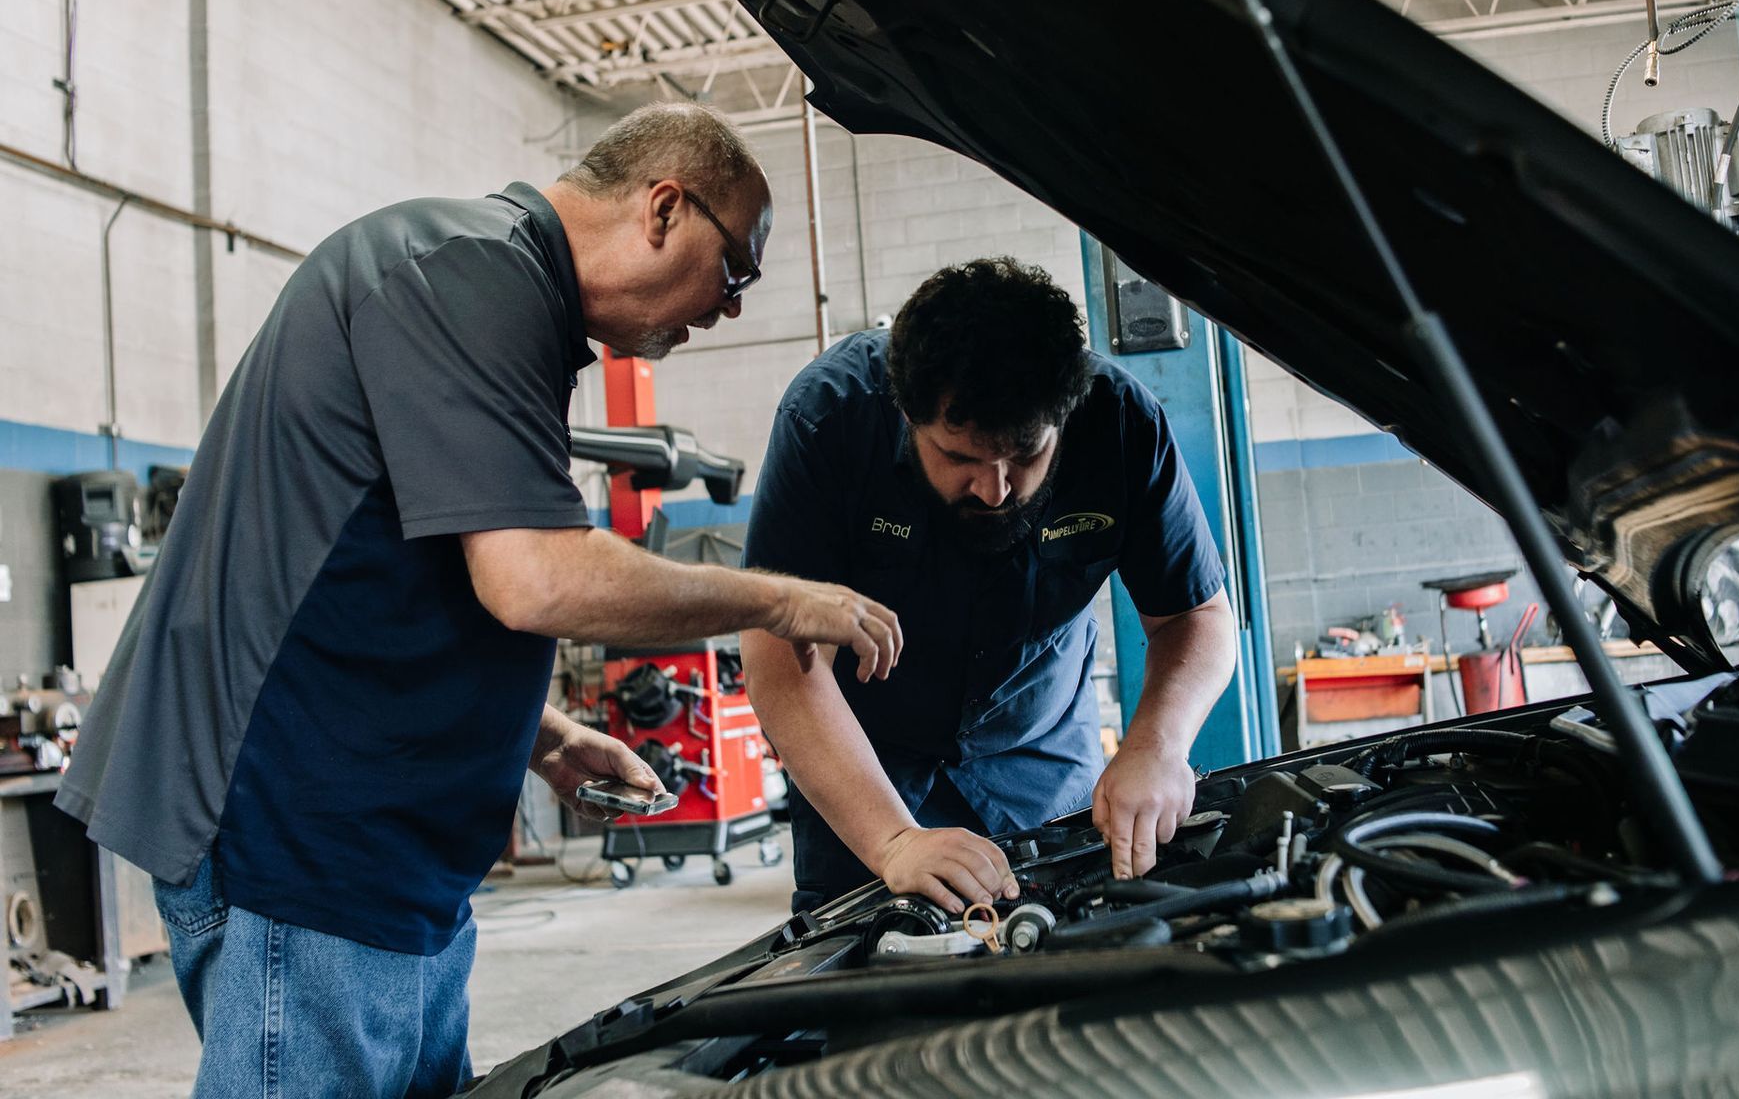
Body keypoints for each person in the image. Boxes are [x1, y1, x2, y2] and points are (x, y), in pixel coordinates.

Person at [55, 103, 903, 1099]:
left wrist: (538, 732)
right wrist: (781, 598)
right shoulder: (467, 272)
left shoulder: (493, 294)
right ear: (666, 208)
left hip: (380, 857)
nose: (729, 310)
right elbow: (534, 575)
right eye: (737, 272)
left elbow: (390, 568)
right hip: (304, 843)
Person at [741, 257, 1237, 915]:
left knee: (1073, 951)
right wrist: (892, 840)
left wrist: (1157, 746)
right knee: (874, 980)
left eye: (1027, 455)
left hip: (1041, 754)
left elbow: (1196, 617)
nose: (996, 490)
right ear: (907, 414)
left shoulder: (1120, 422)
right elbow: (781, 659)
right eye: (959, 458)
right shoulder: (830, 419)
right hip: (865, 763)